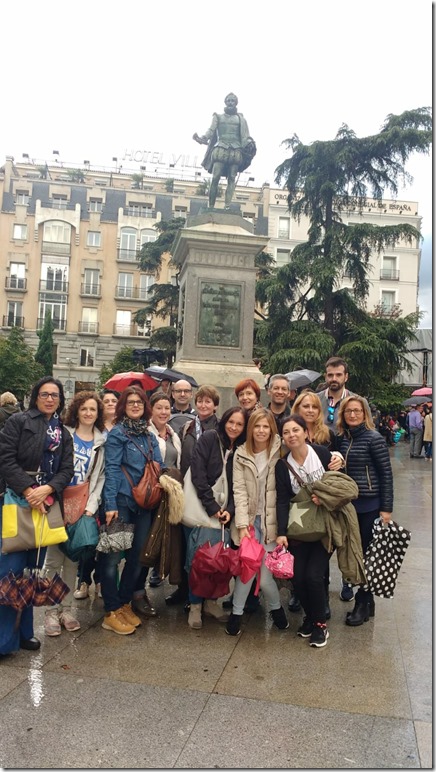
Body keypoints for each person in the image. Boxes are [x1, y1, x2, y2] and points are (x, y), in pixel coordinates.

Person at [0, 376, 74, 654]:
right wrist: (29, 490)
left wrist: (47, 491)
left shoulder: (63, 432)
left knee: (32, 574)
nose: (50, 399)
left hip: (47, 503)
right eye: (44, 394)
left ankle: (25, 633)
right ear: (35, 397)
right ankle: (4, 640)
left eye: (55, 395)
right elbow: (5, 458)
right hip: (18, 501)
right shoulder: (18, 421)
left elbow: (67, 471)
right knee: (9, 572)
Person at [100, 386, 165, 635]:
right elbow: (112, 469)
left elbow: (159, 464)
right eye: (130, 402)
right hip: (122, 504)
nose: (135, 405)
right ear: (123, 407)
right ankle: (111, 611)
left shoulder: (149, 436)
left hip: (145, 506)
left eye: (139, 402)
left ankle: (125, 604)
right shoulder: (117, 434)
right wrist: (111, 505)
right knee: (112, 559)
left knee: (138, 558)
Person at [42, 391, 106, 635]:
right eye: (84, 409)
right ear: (76, 411)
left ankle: (66, 608)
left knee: (72, 560)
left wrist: (91, 506)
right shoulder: (63, 434)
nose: (89, 413)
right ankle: (49, 611)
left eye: (93, 409)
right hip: (58, 501)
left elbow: (99, 477)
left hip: (82, 504)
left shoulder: (101, 442)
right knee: (53, 560)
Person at [275, 415, 339, 648]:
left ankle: (320, 624)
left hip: (325, 526)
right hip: (300, 530)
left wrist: (325, 497)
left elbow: (340, 484)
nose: (291, 435)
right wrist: (281, 532)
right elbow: (282, 500)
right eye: (286, 432)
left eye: (296, 430)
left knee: (314, 576)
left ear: (305, 432)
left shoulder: (321, 454)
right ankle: (311, 617)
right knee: (298, 578)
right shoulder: (283, 465)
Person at [226, 409, 288, 636]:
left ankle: (276, 609)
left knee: (264, 577)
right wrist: (242, 526)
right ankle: (237, 613)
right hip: (250, 522)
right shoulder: (241, 454)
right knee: (248, 570)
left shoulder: (281, 450)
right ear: (250, 429)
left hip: (272, 522)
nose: (261, 431)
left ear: (272, 428)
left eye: (266, 426)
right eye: (257, 426)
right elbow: (239, 491)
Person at [186, 406, 248, 629]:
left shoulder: (242, 448)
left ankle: (211, 602)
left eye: (239, 424)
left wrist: (230, 509)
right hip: (204, 507)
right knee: (200, 559)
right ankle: (195, 605)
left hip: (226, 511)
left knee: (220, 559)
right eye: (231, 422)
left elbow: (241, 484)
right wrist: (212, 506)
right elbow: (198, 472)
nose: (234, 427)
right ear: (224, 422)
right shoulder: (210, 438)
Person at [336, 395, 393, 626]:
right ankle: (368, 603)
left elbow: (386, 474)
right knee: (355, 553)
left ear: (365, 414)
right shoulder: (343, 439)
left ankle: (362, 602)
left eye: (357, 411)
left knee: (367, 557)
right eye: (348, 411)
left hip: (369, 505)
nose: (352, 414)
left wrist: (386, 509)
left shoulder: (374, 438)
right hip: (349, 506)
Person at [317, 356, 367, 602]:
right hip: (321, 474)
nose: (334, 379)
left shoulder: (357, 402)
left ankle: (348, 581)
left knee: (347, 533)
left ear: (346, 377)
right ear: (325, 376)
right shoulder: (316, 400)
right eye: (330, 375)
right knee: (322, 535)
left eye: (338, 375)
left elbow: (367, 433)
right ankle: (320, 583)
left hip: (347, 475)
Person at [290, 391, 344, 616]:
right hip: (300, 505)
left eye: (314, 406)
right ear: (297, 409)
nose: (310, 410)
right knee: (300, 555)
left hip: (323, 505)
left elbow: (338, 463)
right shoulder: (290, 432)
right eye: (305, 406)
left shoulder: (327, 435)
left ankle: (322, 596)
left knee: (320, 558)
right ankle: (297, 593)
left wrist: (340, 458)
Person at [74, 389, 118, 601]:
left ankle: (100, 580)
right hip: (85, 494)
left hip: (108, 494)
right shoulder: (95, 430)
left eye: (113, 401)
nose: (110, 404)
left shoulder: (118, 429)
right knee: (86, 541)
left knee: (102, 542)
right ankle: (83, 579)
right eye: (106, 400)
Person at [193, 92, 256, 208]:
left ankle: (227, 206)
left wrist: (250, 144)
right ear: (225, 102)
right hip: (220, 148)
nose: (231, 102)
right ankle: (211, 206)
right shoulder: (218, 116)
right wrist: (203, 138)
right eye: (229, 100)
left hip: (236, 150)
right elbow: (211, 131)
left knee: (232, 178)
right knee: (215, 177)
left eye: (233, 101)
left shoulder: (241, 119)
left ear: (236, 103)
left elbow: (245, 137)